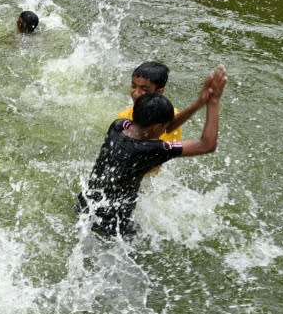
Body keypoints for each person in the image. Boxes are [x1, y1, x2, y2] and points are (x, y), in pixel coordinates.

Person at [76, 64, 227, 238]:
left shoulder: (118, 126)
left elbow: (166, 127)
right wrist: (213, 101)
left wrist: (199, 102)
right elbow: (207, 145)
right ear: (157, 127)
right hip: (114, 221)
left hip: (87, 204)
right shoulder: (151, 150)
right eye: (163, 127)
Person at [117, 61, 211, 144]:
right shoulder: (123, 116)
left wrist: (200, 103)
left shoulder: (170, 115)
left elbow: (171, 125)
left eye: (144, 89)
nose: (136, 93)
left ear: (159, 92)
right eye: (133, 86)